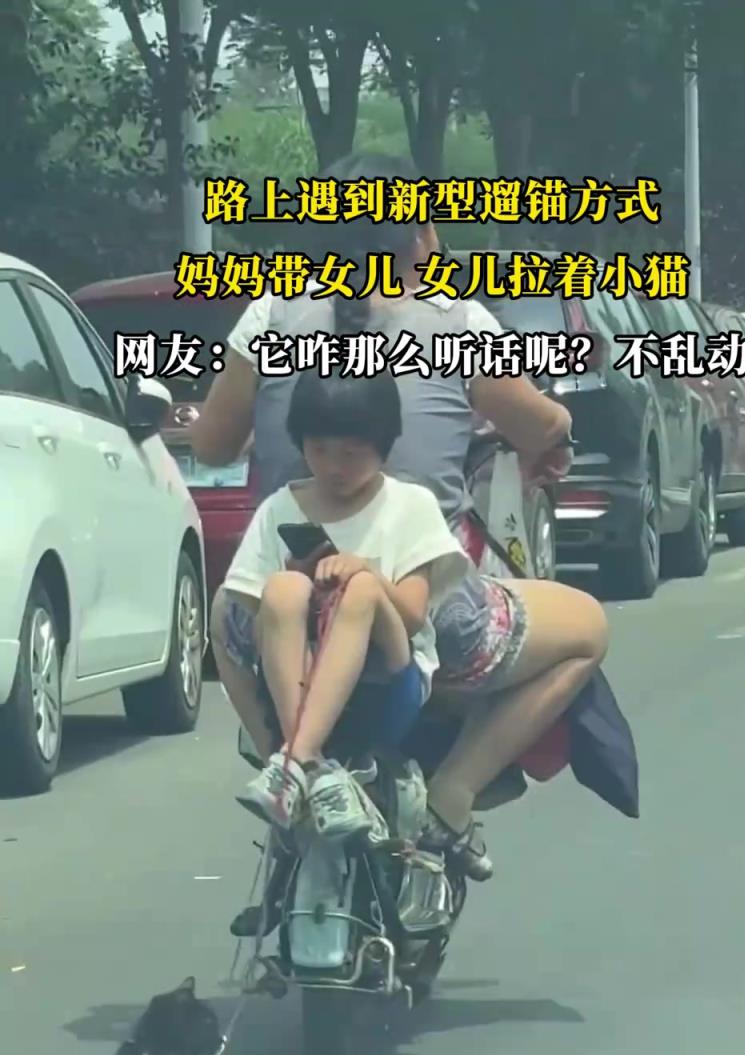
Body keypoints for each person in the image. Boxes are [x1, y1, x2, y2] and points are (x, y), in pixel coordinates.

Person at [198, 150, 606, 880]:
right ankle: (454, 793)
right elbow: (539, 424)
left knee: (227, 615)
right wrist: (558, 432)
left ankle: (281, 761)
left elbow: (211, 443)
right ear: (417, 233)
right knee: (586, 630)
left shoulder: (270, 311)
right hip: (425, 618)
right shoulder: (458, 319)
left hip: (272, 614)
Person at [220, 366, 467, 843]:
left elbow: (413, 616)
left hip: (386, 684)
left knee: (361, 590)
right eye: (319, 451)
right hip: (296, 683)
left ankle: (295, 761)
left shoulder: (410, 505)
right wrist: (300, 582)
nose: (334, 467)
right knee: (283, 588)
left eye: (351, 454)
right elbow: (250, 613)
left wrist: (362, 573)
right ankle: (307, 763)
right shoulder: (279, 508)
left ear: (383, 446)